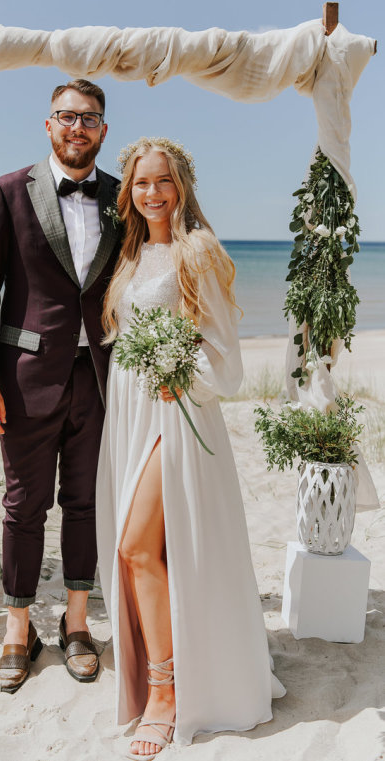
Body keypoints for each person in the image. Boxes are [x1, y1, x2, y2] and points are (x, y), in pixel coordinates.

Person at [96, 137, 285, 758]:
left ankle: (166, 694)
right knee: (148, 549)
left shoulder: (195, 250)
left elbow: (223, 351)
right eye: (141, 183)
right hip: (128, 413)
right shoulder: (131, 254)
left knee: (135, 547)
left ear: (181, 187)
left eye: (163, 182)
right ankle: (179, 669)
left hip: (174, 414)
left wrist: (184, 371)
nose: (152, 193)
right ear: (128, 192)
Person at [0, 79, 121, 693]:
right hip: (25, 381)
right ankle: (17, 629)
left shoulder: (121, 195)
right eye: (66, 116)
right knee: (23, 506)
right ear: (47, 125)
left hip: (101, 380)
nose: (77, 127)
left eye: (89, 118)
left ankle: (76, 623)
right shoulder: (6, 192)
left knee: (85, 504)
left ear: (103, 130)